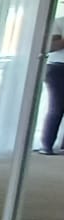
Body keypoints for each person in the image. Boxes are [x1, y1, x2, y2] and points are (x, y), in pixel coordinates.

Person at [39, 17, 64, 155]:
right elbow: (51, 46)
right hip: (57, 68)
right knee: (56, 108)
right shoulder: (59, 22)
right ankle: (46, 145)